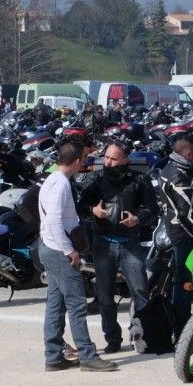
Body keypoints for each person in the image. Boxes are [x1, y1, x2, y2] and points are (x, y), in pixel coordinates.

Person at [39, 139, 118, 372]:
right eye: (83, 159)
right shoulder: (61, 184)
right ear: (76, 161)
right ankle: (87, 356)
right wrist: (69, 251)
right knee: (76, 305)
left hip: (49, 247)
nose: (84, 162)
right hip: (58, 251)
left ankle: (53, 356)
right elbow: (54, 221)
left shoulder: (51, 179)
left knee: (56, 305)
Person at [78, 141, 156, 353]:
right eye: (106, 157)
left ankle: (144, 336)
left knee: (140, 292)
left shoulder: (139, 179)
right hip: (103, 243)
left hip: (129, 242)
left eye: (113, 158)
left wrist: (137, 219)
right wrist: (93, 210)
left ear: (124, 160)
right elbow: (81, 206)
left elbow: (152, 209)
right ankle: (112, 339)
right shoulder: (97, 179)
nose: (108, 162)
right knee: (105, 297)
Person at [156, 135, 193, 333]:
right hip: (183, 235)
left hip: (175, 230)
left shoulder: (170, 168)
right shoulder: (179, 176)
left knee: (180, 278)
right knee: (184, 281)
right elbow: (185, 213)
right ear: (189, 153)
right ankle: (182, 326)